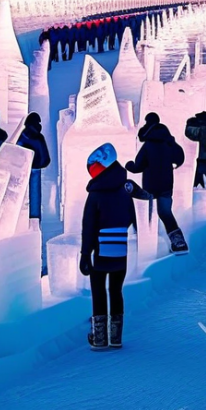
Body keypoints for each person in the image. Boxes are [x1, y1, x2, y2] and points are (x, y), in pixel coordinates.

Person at [79, 143, 150, 350]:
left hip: (100, 251)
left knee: (99, 291)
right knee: (116, 291)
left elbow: (89, 227)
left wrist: (85, 254)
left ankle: (100, 338)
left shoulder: (95, 195)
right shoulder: (124, 191)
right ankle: (116, 337)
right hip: (120, 249)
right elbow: (131, 218)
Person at [125, 112, 189, 254]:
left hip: (151, 185)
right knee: (165, 213)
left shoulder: (148, 145)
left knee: (149, 215)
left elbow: (138, 165)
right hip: (166, 184)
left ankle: (146, 246)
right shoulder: (169, 141)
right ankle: (179, 243)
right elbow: (180, 157)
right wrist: (173, 165)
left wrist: (129, 166)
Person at [16, 112, 51, 225]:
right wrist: (42, 163)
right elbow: (45, 155)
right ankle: (35, 221)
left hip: (24, 169)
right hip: (36, 168)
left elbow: (18, 151)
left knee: (23, 196)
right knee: (35, 195)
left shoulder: (22, 136)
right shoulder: (39, 137)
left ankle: (25, 221)